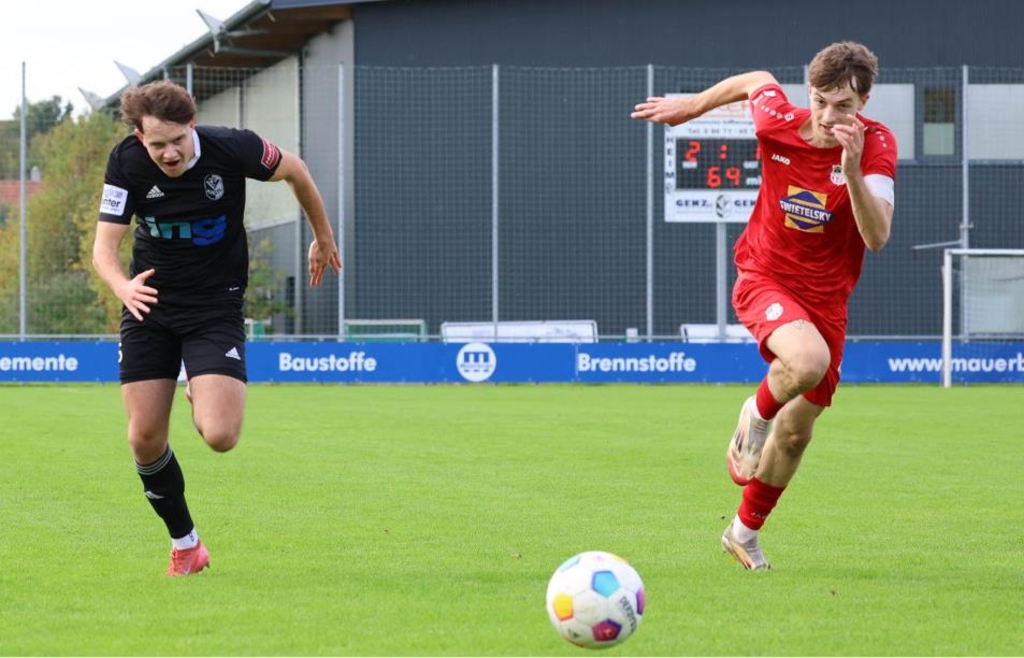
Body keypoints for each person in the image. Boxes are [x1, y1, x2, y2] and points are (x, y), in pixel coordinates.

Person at [632, 42, 896, 570]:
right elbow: (756, 78)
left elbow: (878, 236)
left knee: (797, 434)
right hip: (765, 275)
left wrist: (850, 165)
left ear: (864, 102)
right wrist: (691, 107)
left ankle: (743, 533)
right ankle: (754, 413)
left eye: (842, 106)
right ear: (808, 93)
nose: (826, 116)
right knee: (805, 362)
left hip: (827, 301)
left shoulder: (876, 146)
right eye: (819, 100)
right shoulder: (777, 120)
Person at [93, 80, 341, 576]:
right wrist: (122, 286)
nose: (167, 153)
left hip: (214, 306)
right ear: (140, 138)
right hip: (150, 305)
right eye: (155, 144)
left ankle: (198, 385)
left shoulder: (234, 148)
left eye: (176, 141)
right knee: (143, 438)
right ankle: (186, 544)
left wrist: (322, 235)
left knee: (221, 435)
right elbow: (105, 248)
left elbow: (296, 171)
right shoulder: (126, 160)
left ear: (191, 125)